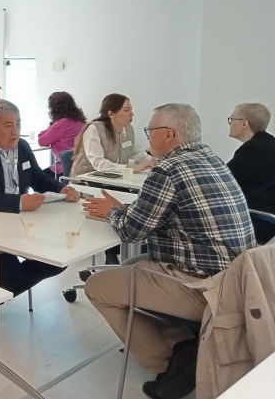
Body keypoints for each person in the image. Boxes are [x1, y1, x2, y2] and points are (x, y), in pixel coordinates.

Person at [83, 104, 257, 399]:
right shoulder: (210, 157)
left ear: (169, 134)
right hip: (238, 280)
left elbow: (130, 232)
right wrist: (124, 210)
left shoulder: (168, 168)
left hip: (208, 290)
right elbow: (160, 216)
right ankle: (184, 343)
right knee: (131, 263)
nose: (148, 137)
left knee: (97, 286)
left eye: (151, 131)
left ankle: (166, 365)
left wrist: (113, 212)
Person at [0, 99, 80, 298]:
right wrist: (18, 202)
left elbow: (37, 177)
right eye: (8, 125)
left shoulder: (21, 146)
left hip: (17, 218)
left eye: (18, 123)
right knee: (10, 277)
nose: (16, 130)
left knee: (57, 260)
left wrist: (61, 188)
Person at [70, 93, 155, 264]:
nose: (132, 114)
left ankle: (129, 248)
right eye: (126, 110)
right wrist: (131, 168)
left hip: (115, 180)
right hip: (88, 181)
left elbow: (138, 154)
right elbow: (98, 163)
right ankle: (113, 251)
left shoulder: (128, 130)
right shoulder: (94, 128)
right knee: (122, 199)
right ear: (111, 113)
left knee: (138, 199)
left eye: (131, 109)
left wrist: (154, 163)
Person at [227, 103, 275, 244]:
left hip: (259, 219)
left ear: (244, 123)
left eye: (232, 119)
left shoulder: (255, 150)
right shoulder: (268, 144)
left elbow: (223, 181)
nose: (229, 124)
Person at [37, 91, 87, 177]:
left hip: (63, 169)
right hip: (79, 168)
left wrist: (52, 122)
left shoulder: (62, 124)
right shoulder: (81, 121)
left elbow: (42, 140)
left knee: (37, 179)